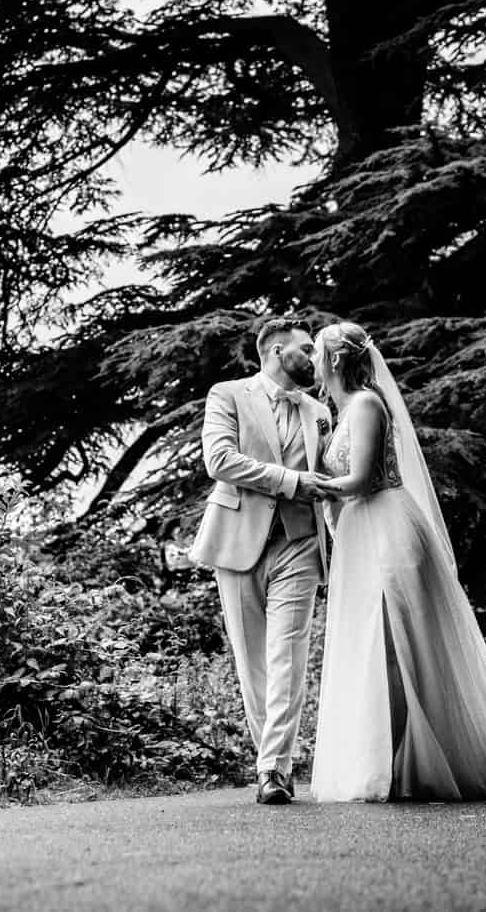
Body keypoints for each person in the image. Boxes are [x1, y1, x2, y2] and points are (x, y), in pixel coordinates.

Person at [309, 320, 486, 802]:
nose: (311, 361)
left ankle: (407, 762)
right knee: (370, 645)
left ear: (333, 360)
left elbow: (364, 479)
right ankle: (386, 759)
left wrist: (307, 485)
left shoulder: (367, 403)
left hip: (386, 525)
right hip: (358, 533)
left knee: (393, 641)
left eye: (317, 353)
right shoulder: (338, 411)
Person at [189, 316, 336, 805]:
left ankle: (274, 768)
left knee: (287, 657)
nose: (314, 357)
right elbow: (220, 462)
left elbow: (333, 479)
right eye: (306, 348)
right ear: (276, 351)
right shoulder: (227, 394)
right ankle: (268, 760)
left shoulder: (320, 411)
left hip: (301, 543)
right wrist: (291, 482)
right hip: (237, 543)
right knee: (252, 662)